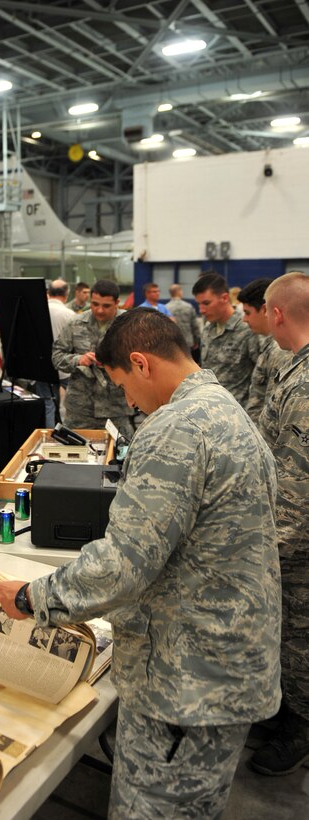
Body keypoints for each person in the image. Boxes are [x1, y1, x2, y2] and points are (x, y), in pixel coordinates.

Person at [0, 308, 281, 818]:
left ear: (140, 363)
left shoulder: (177, 429)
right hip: (222, 668)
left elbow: (123, 564)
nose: (127, 400)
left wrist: (32, 596)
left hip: (185, 684)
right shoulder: (224, 409)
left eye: (123, 384)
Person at [250, 271, 309, 776]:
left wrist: (266, 555)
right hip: (288, 536)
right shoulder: (296, 367)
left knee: (299, 636)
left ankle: (301, 727)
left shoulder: (307, 381)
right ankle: (286, 711)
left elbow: (298, 490)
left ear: (278, 314)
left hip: (297, 545)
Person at [52, 279, 135, 439]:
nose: (99, 310)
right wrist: (78, 359)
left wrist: (115, 361)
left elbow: (142, 361)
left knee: (119, 456)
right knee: (77, 455)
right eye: (95, 304)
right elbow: (57, 356)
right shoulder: (75, 323)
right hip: (81, 408)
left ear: (118, 302)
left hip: (116, 408)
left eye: (106, 306)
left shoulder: (129, 325)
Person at [192, 272, 259, 407]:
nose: (202, 310)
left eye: (206, 303)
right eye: (199, 304)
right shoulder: (208, 329)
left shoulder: (247, 329)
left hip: (238, 413)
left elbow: (262, 378)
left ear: (224, 298)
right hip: (210, 409)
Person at [238, 277, 291, 425]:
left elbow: (273, 409)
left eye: (248, 313)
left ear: (264, 309)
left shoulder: (280, 350)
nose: (244, 319)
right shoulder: (270, 343)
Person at [35, 279, 74, 427]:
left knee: (47, 404)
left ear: (48, 292)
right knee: (71, 406)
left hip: (42, 367)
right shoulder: (69, 315)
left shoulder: (38, 310)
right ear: (66, 294)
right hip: (65, 367)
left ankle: (48, 439)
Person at [165, 284, 200, 359]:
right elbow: (195, 326)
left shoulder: (165, 308)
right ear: (180, 292)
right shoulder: (189, 306)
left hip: (172, 343)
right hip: (188, 342)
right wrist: (197, 341)